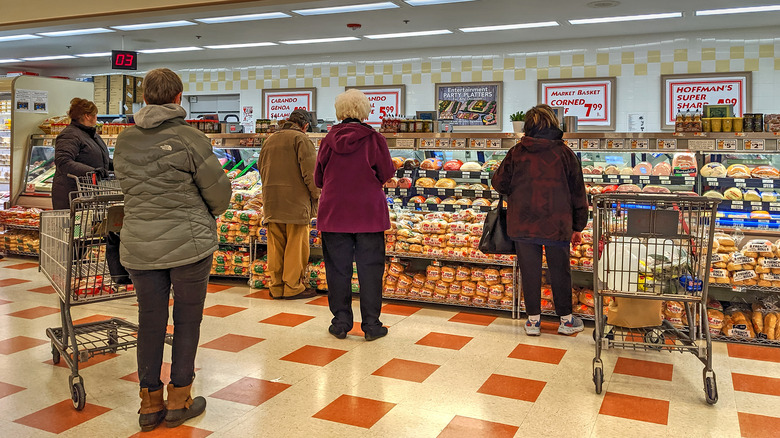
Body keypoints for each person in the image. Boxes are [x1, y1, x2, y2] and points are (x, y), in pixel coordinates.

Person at [113, 68, 231, 431]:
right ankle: (180, 399)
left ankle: (149, 403)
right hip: (189, 244)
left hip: (139, 244)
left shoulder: (124, 140)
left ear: (145, 98)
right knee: (186, 320)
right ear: (179, 97)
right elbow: (220, 195)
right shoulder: (190, 138)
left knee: (149, 322)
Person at [492, 104, 588, 336]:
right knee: (560, 271)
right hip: (557, 224)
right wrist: (578, 226)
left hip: (523, 223)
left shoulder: (517, 152)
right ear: (554, 125)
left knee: (530, 271)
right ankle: (565, 320)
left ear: (528, 126)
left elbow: (499, 184)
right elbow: (578, 193)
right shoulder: (565, 153)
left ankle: (533, 321)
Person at [315, 89, 395, 341]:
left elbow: (318, 178)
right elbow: (386, 173)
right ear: (365, 110)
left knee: (337, 269)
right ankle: (371, 325)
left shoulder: (327, 140)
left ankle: (340, 323)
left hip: (334, 213)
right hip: (368, 214)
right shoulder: (374, 139)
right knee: (370, 270)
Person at [258, 109, 320, 299]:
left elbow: (260, 167)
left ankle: (276, 286)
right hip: (295, 203)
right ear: (305, 126)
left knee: (275, 245)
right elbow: (311, 174)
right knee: (295, 245)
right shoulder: (301, 140)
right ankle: (293, 287)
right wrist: (317, 196)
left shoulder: (269, 139)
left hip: (271, 200)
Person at [52, 98, 110, 209]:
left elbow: (101, 159)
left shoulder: (91, 135)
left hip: (88, 194)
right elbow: (63, 161)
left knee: (87, 224)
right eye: (95, 114)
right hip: (72, 195)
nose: (96, 117)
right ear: (87, 116)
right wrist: (92, 172)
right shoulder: (70, 134)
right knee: (76, 226)